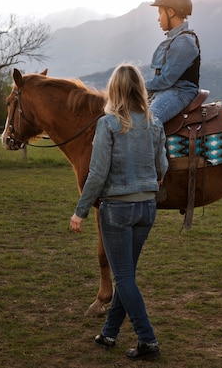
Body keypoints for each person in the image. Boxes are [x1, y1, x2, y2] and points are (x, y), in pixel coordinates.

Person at [70, 63, 168, 360]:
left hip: (116, 210)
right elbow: (162, 166)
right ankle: (110, 333)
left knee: (124, 278)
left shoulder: (108, 124)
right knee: (127, 276)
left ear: (113, 90)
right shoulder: (155, 124)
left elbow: (97, 174)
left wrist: (80, 211)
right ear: (140, 89)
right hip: (146, 209)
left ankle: (147, 340)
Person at [146, 0, 201, 124]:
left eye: (160, 13)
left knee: (149, 123)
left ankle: (159, 146)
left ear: (170, 12)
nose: (158, 19)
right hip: (167, 91)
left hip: (179, 92)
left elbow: (167, 79)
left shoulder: (183, 42)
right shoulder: (175, 39)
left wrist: (139, 86)